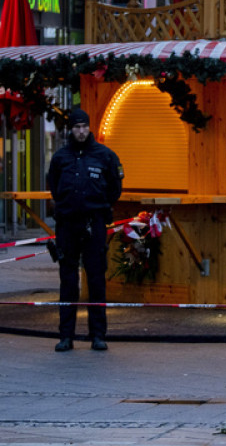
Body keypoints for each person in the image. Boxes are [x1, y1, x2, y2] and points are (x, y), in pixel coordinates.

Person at [46, 108, 124, 352]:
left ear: (89, 128)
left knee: (96, 279)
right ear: (71, 129)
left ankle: (98, 335)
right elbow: (54, 188)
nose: (80, 131)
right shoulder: (61, 157)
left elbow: (115, 188)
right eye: (76, 127)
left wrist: (99, 207)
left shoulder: (105, 155)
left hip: (94, 222)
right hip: (68, 223)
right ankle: (66, 335)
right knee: (67, 280)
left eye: (84, 127)